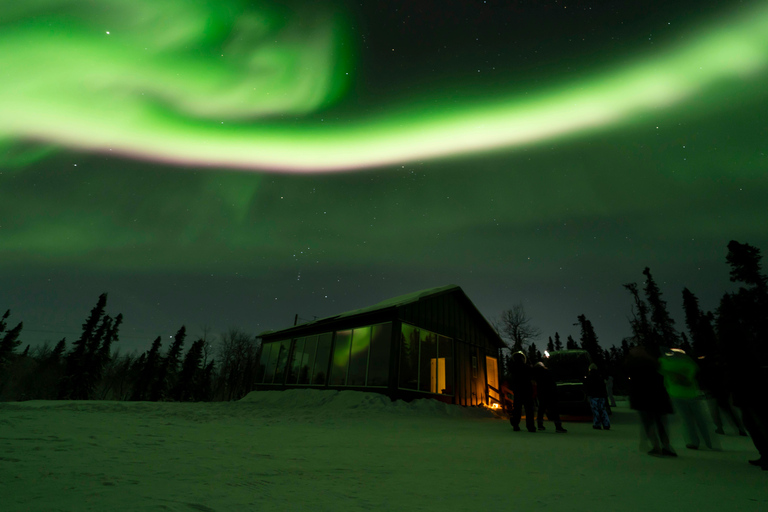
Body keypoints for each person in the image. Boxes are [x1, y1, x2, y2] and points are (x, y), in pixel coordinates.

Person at [659, 348, 715, 450]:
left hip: (678, 393)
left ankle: (695, 442)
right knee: (698, 418)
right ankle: (708, 442)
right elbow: (693, 371)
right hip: (688, 393)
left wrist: (672, 376)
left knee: (687, 419)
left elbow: (660, 369)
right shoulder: (687, 362)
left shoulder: (665, 362)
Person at [626, 346, 676, 457]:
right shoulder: (653, 362)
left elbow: (632, 380)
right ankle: (665, 446)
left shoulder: (634, 364)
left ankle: (657, 446)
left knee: (649, 423)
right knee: (659, 423)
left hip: (645, 397)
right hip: (657, 396)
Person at [532, 362, 567, 433]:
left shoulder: (535, 374)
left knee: (541, 409)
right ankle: (558, 426)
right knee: (554, 410)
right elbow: (552, 381)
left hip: (541, 393)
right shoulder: (547, 372)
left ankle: (540, 425)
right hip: (550, 392)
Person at [509, 351, 536, 432]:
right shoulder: (527, 367)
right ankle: (530, 426)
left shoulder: (513, 368)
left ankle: (515, 424)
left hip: (518, 391)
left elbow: (511, 380)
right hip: (527, 390)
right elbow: (532, 375)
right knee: (529, 410)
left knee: (517, 409)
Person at [584, 363, 611, 430]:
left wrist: (587, 395)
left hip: (593, 396)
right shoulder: (600, 377)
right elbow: (603, 387)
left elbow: (587, 388)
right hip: (601, 396)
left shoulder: (589, 378)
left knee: (595, 411)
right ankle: (606, 424)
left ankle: (597, 424)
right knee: (602, 410)